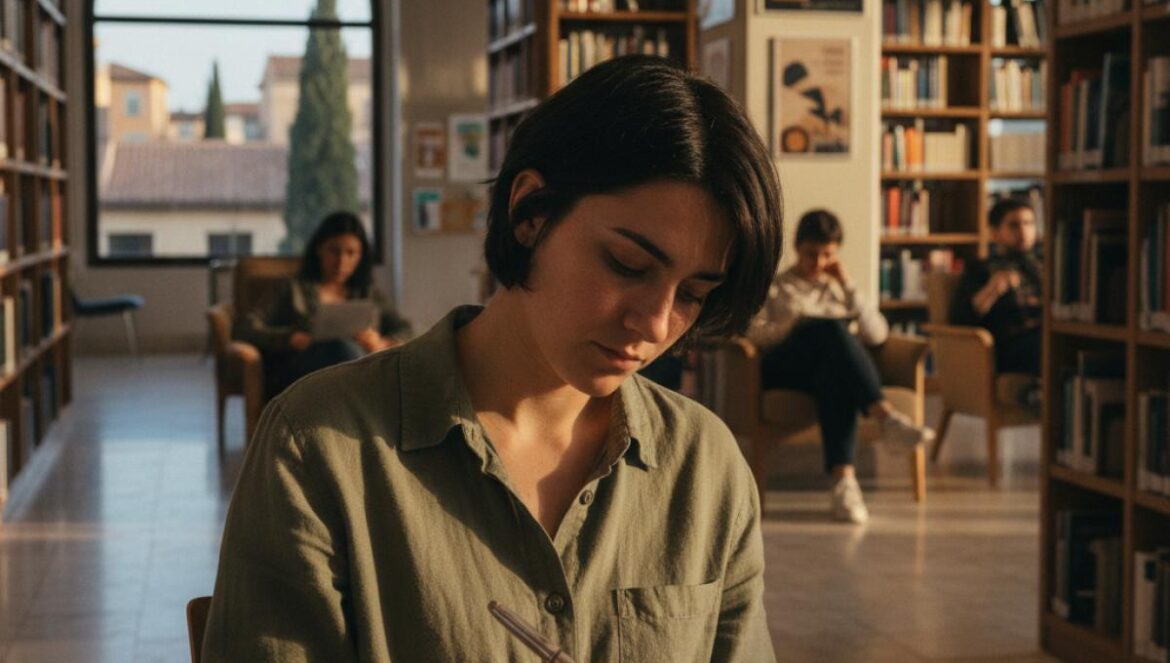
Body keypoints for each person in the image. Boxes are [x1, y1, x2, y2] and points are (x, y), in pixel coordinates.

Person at [202, 55, 783, 662]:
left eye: (693, 294)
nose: (657, 323)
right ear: (530, 214)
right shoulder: (322, 447)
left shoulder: (705, 467)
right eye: (627, 266)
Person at [748, 209, 935, 524]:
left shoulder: (840, 288)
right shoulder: (776, 286)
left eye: (827, 255)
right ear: (797, 247)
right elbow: (752, 334)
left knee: (835, 374)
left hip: (823, 374)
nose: (819, 263)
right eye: (811, 254)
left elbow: (877, 335)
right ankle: (886, 418)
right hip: (784, 368)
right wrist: (794, 325)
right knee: (830, 330)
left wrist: (847, 285)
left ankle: (844, 484)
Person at [234, 211, 412, 399]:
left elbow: (405, 329)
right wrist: (288, 338)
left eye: (351, 253)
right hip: (301, 373)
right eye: (334, 251)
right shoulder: (292, 288)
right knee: (342, 349)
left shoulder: (368, 292)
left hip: (356, 370)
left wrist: (381, 343)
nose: (341, 262)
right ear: (320, 249)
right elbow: (245, 326)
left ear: (360, 256)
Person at [950, 198, 1042, 376]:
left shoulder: (1042, 265)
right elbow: (960, 319)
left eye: (1029, 223)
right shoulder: (981, 269)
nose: (1024, 231)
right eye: (1014, 225)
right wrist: (992, 290)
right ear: (995, 233)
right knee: (1045, 344)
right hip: (1008, 345)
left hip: (1041, 332)